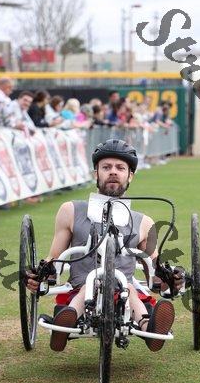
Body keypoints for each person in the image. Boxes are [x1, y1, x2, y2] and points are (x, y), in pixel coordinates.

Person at [26, 139, 184, 352]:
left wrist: (171, 278)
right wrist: (39, 274)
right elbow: (55, 259)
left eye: (120, 168)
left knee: (130, 289)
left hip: (124, 290)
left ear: (130, 175)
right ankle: (67, 321)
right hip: (82, 288)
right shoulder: (70, 211)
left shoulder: (144, 222)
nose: (113, 172)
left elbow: (154, 269)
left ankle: (150, 328)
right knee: (88, 287)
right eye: (106, 167)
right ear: (96, 174)